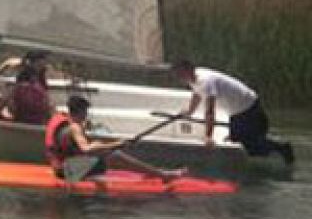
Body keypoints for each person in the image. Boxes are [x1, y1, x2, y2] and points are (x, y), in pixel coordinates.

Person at [172, 59, 294, 165]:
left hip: (247, 108)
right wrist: (190, 110)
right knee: (236, 142)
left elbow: (210, 111)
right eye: (177, 75)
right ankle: (270, 147)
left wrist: (208, 136)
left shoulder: (205, 81)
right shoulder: (195, 77)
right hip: (236, 111)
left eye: (180, 74)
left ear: (188, 70)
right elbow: (197, 92)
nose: (178, 78)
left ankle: (282, 148)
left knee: (249, 147)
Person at [45, 95, 186, 181]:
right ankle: (162, 175)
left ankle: (152, 172)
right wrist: (117, 144)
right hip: (69, 172)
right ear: (81, 111)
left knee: (104, 151)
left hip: (62, 169)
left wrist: (110, 145)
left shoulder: (62, 118)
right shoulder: (75, 127)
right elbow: (86, 149)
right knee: (114, 155)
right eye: (85, 112)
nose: (86, 115)